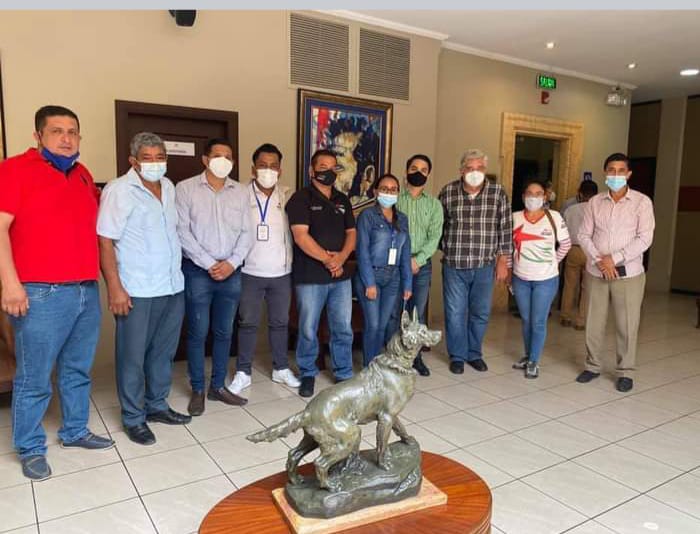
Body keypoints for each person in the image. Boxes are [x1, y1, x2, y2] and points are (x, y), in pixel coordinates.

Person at [0, 105, 114, 480]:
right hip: (40, 293)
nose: (66, 138)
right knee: (34, 376)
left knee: (77, 369)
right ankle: (30, 447)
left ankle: (75, 430)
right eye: (56, 131)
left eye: (72, 132)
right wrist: (10, 284)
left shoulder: (82, 174)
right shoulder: (14, 170)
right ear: (38, 136)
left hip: (84, 289)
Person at [98, 132, 191, 446]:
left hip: (171, 286)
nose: (154, 163)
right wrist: (115, 288)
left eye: (159, 157)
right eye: (147, 158)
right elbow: (105, 241)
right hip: (136, 289)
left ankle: (157, 405)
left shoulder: (169, 187)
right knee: (132, 357)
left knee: (163, 353)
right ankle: (133, 418)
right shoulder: (118, 190)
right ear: (133, 161)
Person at [175, 138, 251, 415]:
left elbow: (247, 232)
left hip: (231, 271)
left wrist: (231, 263)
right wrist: (210, 264)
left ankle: (217, 386)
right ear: (205, 160)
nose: (224, 160)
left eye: (228, 156)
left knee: (224, 331)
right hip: (198, 271)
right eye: (218, 155)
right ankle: (198, 388)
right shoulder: (185, 189)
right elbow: (182, 231)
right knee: (197, 332)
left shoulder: (240, 192)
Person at [576, 153, 655, 393]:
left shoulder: (641, 202)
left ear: (629, 174)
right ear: (605, 172)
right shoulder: (594, 202)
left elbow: (645, 238)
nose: (616, 175)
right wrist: (601, 260)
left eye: (621, 170)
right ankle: (592, 366)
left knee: (627, 324)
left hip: (628, 274)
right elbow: (583, 235)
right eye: (612, 170)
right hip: (596, 272)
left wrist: (615, 259)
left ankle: (625, 371)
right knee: (593, 321)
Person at [228, 143, 300, 396]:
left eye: (273, 166)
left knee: (280, 323)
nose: (268, 170)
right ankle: (243, 372)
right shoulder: (239, 194)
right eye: (262, 165)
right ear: (253, 169)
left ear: (280, 170)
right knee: (247, 323)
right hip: (249, 271)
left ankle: (280, 368)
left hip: (281, 272)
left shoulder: (287, 196)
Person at [286, 149, 356, 397]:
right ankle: (308, 372)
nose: (328, 171)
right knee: (308, 328)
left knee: (342, 327)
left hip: (340, 277)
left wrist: (341, 258)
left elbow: (351, 234)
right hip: (310, 276)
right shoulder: (300, 198)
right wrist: (329, 260)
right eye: (322, 166)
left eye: (333, 167)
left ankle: (344, 372)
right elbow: (300, 236)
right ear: (311, 170)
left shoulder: (342, 199)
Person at [439, 148, 512, 374]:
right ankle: (457, 356)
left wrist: (503, 260)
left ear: (485, 169)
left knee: (480, 312)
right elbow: (439, 225)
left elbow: (505, 227)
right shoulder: (448, 192)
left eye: (479, 168)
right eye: (470, 168)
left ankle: (474, 353)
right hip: (455, 265)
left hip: (484, 265)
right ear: (461, 171)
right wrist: (446, 247)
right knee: (455, 313)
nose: (474, 172)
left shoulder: (498, 193)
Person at [510, 179, 571, 378]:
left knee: (538, 321)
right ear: (523, 197)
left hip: (546, 280)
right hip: (520, 278)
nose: (533, 197)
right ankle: (528, 355)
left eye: (538, 194)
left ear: (545, 197)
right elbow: (508, 249)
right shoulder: (514, 218)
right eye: (529, 193)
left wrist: (552, 262)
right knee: (526, 320)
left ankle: (534, 361)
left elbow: (566, 244)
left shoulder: (554, 217)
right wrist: (510, 274)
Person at [389, 154, 443, 376]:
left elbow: (435, 237)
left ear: (428, 174)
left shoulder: (434, 205)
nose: (418, 173)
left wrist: (417, 260)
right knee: (394, 312)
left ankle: (415, 358)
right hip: (394, 264)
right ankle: (393, 356)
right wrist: (403, 260)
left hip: (421, 265)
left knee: (416, 314)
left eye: (423, 170)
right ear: (406, 171)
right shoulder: (394, 199)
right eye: (414, 168)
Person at [355, 174, 412, 366]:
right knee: (373, 324)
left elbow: (406, 252)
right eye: (384, 189)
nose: (389, 192)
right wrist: (369, 283)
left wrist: (407, 283)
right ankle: (369, 367)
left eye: (393, 189)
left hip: (393, 277)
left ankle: (377, 365)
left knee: (384, 324)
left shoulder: (402, 219)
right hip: (371, 275)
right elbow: (362, 251)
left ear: (398, 192)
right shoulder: (367, 216)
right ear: (375, 191)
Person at [560, 180, 599, 330]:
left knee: (570, 285)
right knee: (586, 287)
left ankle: (565, 316)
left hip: (573, 249)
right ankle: (581, 321)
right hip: (590, 251)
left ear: (580, 193)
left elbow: (563, 230)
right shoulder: (598, 211)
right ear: (595, 195)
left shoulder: (571, 210)